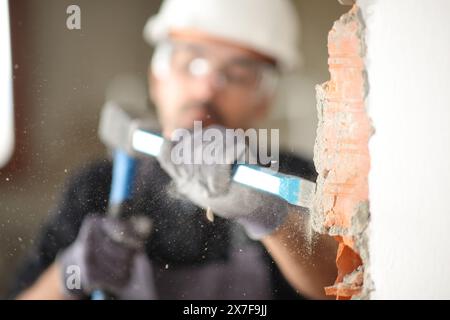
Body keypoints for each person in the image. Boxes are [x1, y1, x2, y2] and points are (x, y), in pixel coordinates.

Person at [9, 0, 337, 300]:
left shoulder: (288, 177)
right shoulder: (96, 187)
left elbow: (345, 286)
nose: (207, 86)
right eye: (190, 62)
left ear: (265, 100)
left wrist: (273, 218)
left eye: (238, 74)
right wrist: (69, 274)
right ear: (157, 78)